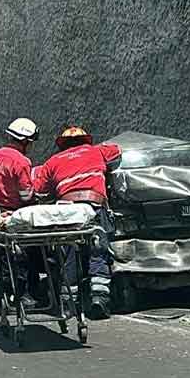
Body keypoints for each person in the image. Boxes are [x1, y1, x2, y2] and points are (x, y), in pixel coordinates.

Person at [33, 126, 121, 320]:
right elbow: (117, 150)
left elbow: (39, 191)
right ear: (86, 140)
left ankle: (67, 303)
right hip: (94, 207)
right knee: (98, 249)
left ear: (62, 145)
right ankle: (100, 299)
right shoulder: (97, 151)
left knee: (67, 254)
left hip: (67, 212)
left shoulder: (52, 161)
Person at [0, 118, 40, 309]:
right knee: (26, 253)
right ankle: (25, 294)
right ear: (25, 141)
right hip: (13, 215)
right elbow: (26, 195)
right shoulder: (21, 162)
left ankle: (0, 296)